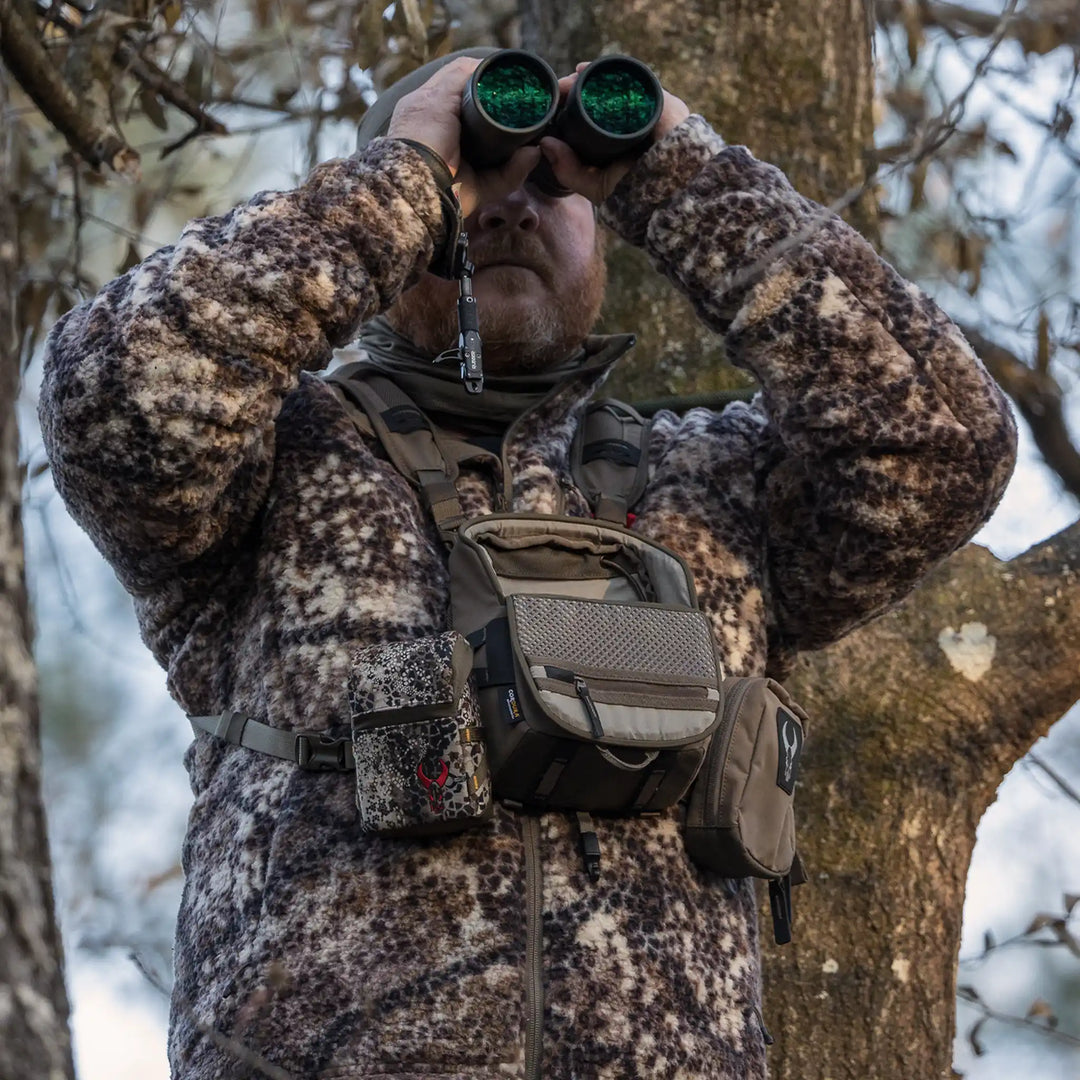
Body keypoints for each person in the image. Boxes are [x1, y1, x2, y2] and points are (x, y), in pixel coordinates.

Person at [39, 45, 1016, 1080]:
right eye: (473, 188)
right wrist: (406, 176)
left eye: (551, 188)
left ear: (607, 226)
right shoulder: (268, 465)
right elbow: (118, 390)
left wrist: (678, 175)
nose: (509, 213)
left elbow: (946, 439)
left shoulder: (711, 490)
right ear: (389, 233)